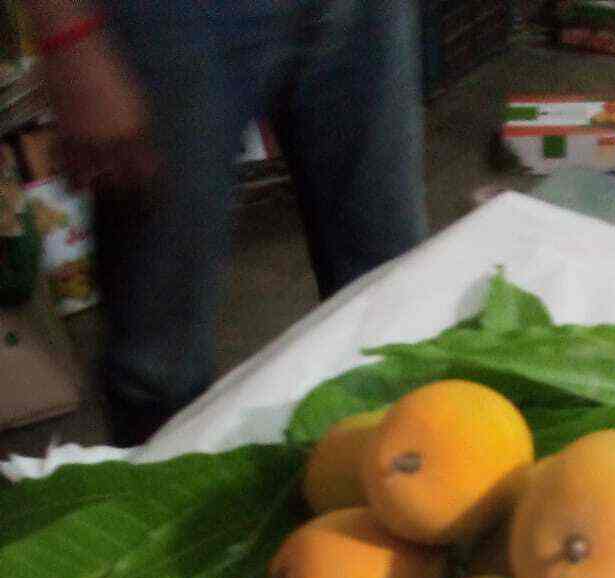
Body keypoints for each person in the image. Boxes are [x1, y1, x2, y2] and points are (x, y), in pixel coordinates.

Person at [24, 0, 429, 445]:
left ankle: (402, 473)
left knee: (393, 305)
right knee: (160, 369)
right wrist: (70, 40)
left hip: (365, 13)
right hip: (171, 20)